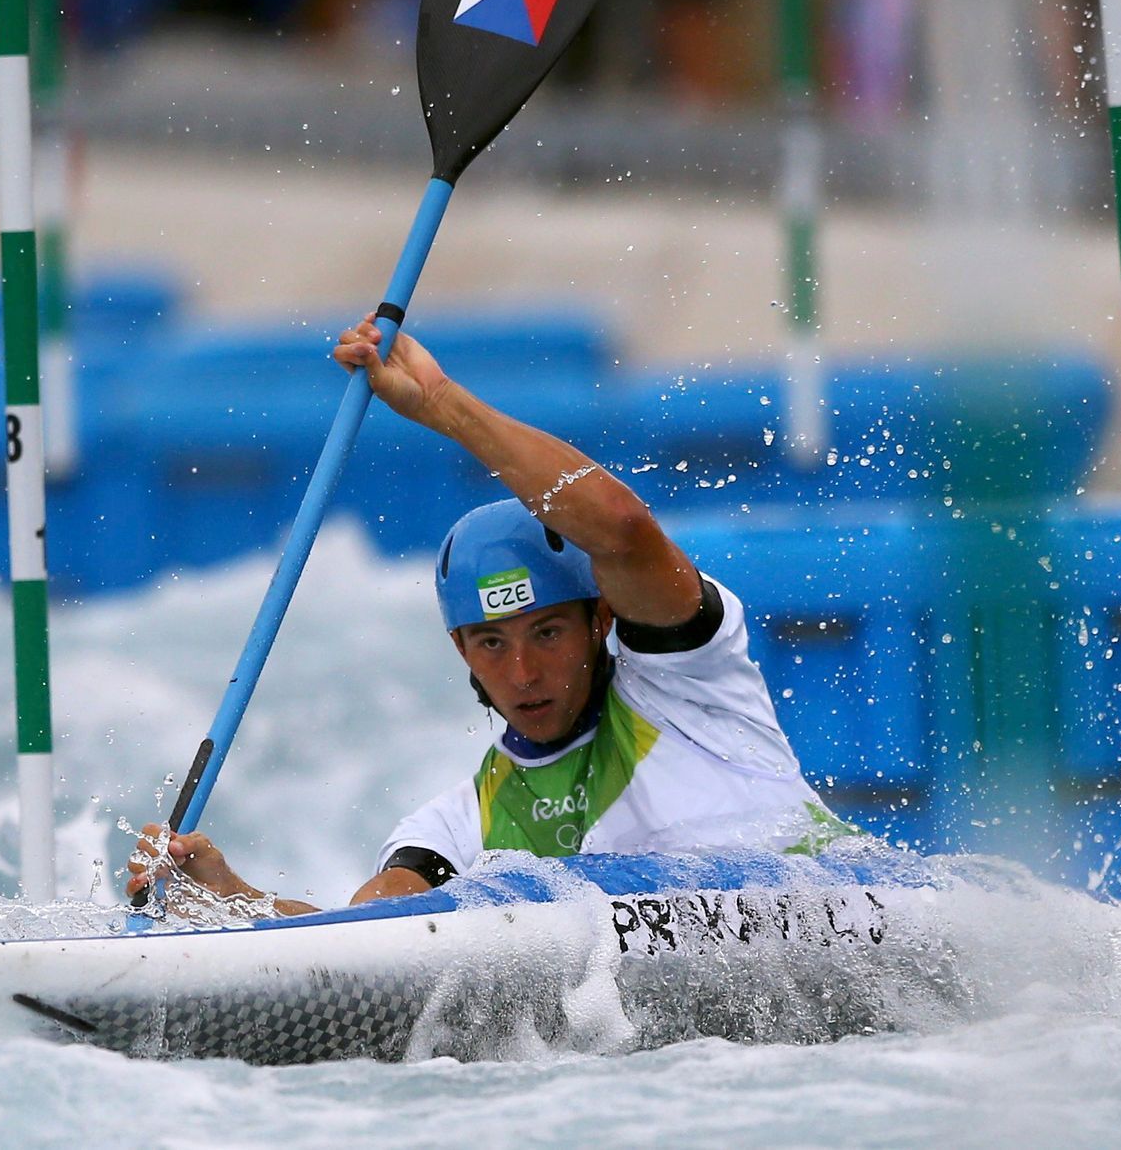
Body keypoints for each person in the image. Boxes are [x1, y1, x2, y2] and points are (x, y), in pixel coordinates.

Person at [126, 314, 846, 916]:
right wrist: (231, 899)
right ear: (460, 648)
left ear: (599, 619)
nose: (523, 671)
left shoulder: (688, 679)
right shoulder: (459, 827)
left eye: (548, 631)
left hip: (847, 922)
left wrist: (441, 404)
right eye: (492, 642)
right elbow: (375, 938)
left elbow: (624, 527)